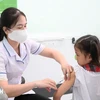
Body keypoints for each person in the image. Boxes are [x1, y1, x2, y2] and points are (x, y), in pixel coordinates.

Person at [0, 7, 72, 100]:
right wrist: (36, 83)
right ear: (6, 30)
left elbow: (52, 53)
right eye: (19, 27)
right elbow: (5, 91)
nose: (24, 30)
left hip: (20, 92)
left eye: (25, 26)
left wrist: (64, 63)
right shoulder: (1, 51)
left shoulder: (26, 44)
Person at [53, 35, 100, 100]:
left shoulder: (76, 73)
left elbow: (57, 96)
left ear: (90, 57)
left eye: (77, 54)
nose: (75, 57)